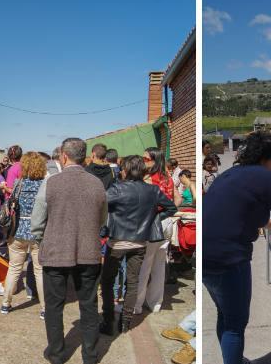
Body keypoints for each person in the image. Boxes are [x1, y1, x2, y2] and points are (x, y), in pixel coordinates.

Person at [203, 132, 271, 364]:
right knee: (236, 325)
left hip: (205, 256)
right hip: (229, 259)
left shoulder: (230, 175)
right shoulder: (267, 178)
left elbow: (252, 215)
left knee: (225, 315)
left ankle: (234, 360)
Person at [31, 138, 107, 364]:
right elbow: (102, 218)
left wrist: (43, 238)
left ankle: (56, 353)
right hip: (89, 251)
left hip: (55, 252)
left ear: (64, 156)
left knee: (54, 306)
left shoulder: (51, 183)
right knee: (89, 305)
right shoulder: (97, 184)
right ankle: (90, 356)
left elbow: (37, 222)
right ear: (85, 157)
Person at [100, 155, 177, 334]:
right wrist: (153, 219)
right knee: (133, 282)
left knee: (107, 281)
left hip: (117, 243)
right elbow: (171, 207)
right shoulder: (152, 190)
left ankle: (108, 320)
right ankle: (125, 323)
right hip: (140, 242)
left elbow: (99, 205)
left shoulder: (117, 189)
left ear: (125, 170)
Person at [2, 152, 47, 319]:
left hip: (18, 230)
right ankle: (44, 308)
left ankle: (6, 304)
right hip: (39, 231)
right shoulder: (45, 184)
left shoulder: (18, 183)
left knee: (14, 269)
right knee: (40, 271)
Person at [135, 147, 178, 314]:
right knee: (160, 265)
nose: (143, 161)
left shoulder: (148, 178)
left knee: (144, 265)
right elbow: (177, 199)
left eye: (146, 159)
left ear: (154, 160)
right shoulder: (168, 177)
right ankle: (155, 303)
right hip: (167, 222)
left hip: (153, 223)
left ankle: (137, 305)